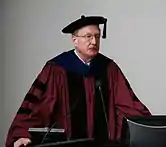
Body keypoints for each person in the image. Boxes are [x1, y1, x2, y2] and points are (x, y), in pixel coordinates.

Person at [5, 15, 151, 147]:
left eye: (97, 36)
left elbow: (128, 104)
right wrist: (22, 134)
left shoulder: (109, 68)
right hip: (65, 144)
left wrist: (151, 128)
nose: (94, 41)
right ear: (75, 40)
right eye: (88, 36)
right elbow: (37, 106)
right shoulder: (57, 69)